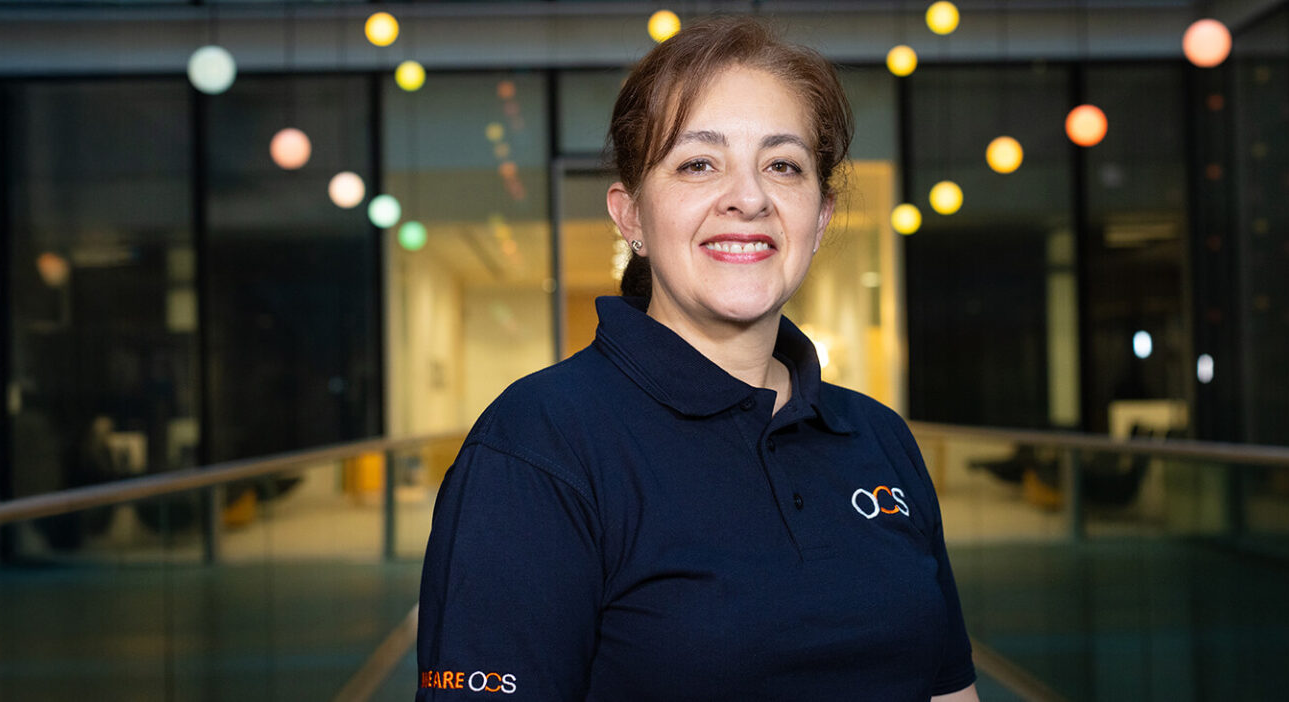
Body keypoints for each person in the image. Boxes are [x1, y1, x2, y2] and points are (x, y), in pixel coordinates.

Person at [416, 16, 978, 701]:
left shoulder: (879, 438)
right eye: (698, 163)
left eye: (783, 165)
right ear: (629, 217)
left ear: (821, 216)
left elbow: (950, 690)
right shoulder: (538, 446)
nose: (748, 197)